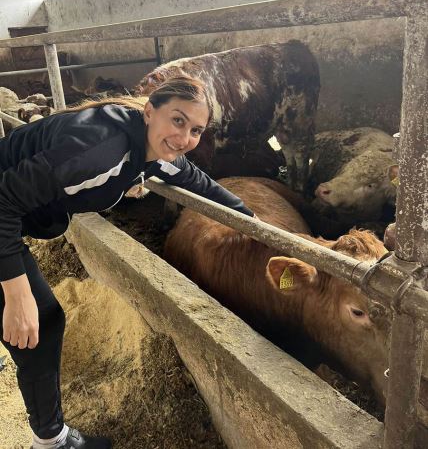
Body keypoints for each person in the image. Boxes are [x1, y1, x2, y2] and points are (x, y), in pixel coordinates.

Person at [0, 76, 256, 449]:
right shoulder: (100, 151)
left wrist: (251, 219)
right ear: (150, 111)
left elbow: (194, 178)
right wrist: (17, 292)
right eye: (178, 120)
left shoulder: (149, 149)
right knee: (42, 318)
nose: (185, 138)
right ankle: (52, 441)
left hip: (12, 214)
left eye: (197, 130)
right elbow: (3, 201)